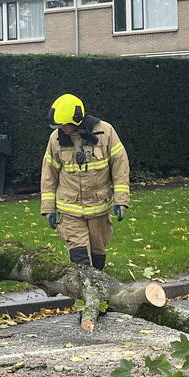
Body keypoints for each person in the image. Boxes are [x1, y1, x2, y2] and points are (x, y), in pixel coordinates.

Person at [40, 94, 130, 270]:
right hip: (69, 209)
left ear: (77, 118)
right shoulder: (56, 139)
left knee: (98, 255)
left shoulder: (105, 132)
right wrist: (48, 208)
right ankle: (84, 291)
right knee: (79, 256)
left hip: (99, 209)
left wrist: (122, 200)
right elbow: (48, 174)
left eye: (65, 124)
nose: (63, 129)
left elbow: (120, 167)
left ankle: (96, 290)